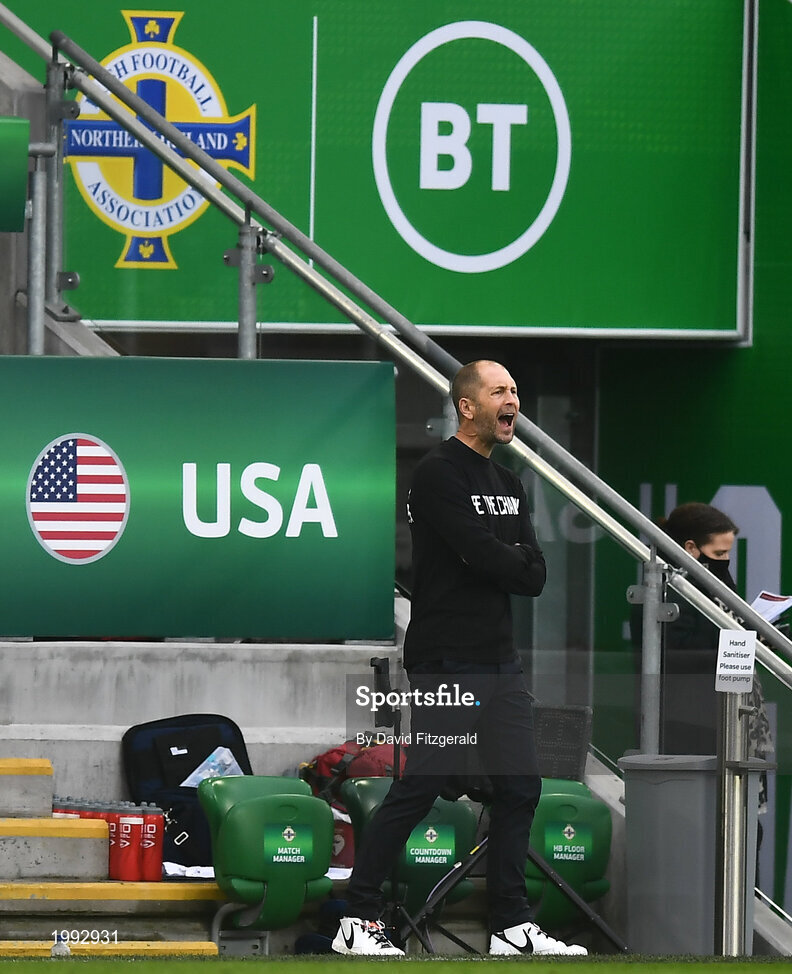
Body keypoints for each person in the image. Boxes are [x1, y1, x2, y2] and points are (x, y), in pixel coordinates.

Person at [332, 360, 587, 957]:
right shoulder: (437, 472)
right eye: (500, 391)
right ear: (467, 405)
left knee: (521, 787)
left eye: (517, 391)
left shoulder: (508, 482)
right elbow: (480, 554)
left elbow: (535, 575)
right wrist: (506, 558)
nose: (513, 401)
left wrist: (505, 558)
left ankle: (509, 926)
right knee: (419, 787)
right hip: (447, 661)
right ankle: (358, 919)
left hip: (501, 662)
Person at [632, 502, 773, 766]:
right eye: (719, 553)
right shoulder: (666, 594)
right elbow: (676, 654)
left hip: (727, 713)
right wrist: (737, 643)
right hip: (689, 722)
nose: (724, 561)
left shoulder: (712, 585)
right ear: (690, 548)